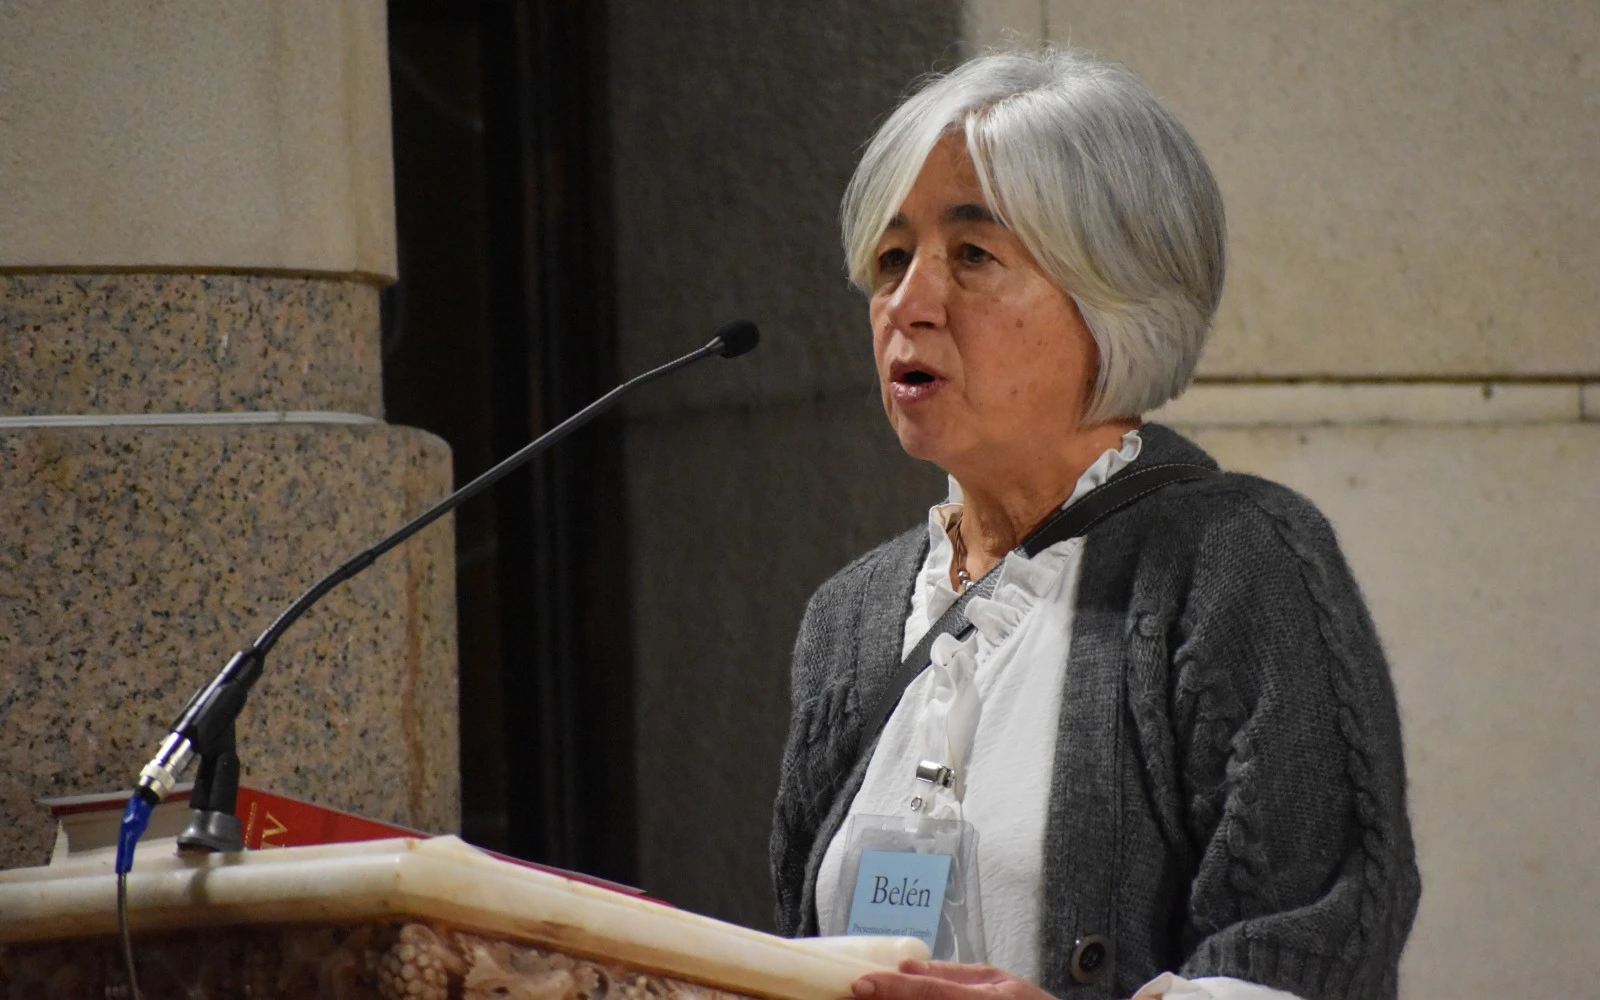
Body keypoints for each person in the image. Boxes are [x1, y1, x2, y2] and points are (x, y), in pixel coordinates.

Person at [769, 49, 1419, 1000]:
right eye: (892, 257)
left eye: (974, 254)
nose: (908, 303)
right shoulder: (849, 618)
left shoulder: (1239, 566)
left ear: (1115, 294)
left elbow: (1316, 958)